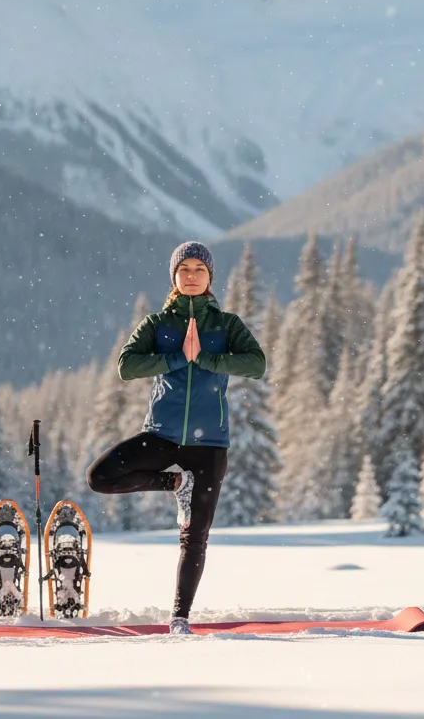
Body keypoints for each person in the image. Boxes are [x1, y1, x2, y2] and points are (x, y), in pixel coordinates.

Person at [86, 241, 267, 635]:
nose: (191, 276)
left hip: (210, 445)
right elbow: (126, 367)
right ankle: (175, 484)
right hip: (162, 436)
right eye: (184, 269)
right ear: (174, 277)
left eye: (199, 269)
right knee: (100, 477)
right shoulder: (157, 324)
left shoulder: (226, 325)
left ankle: (180, 618)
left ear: (210, 277)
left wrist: (205, 358)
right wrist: (177, 358)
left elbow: (256, 364)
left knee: (195, 537)